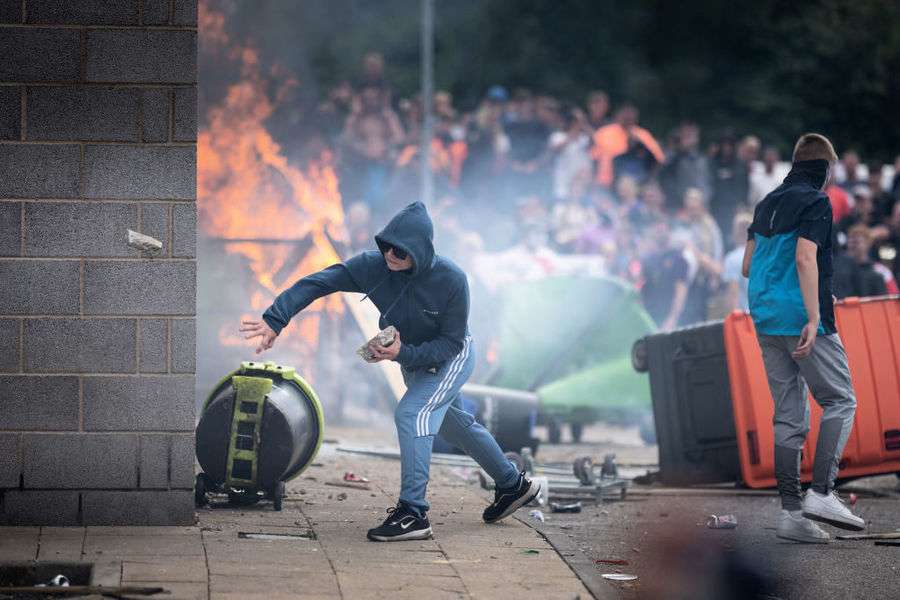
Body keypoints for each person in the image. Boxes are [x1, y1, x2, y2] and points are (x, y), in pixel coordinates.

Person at [241, 202, 539, 541]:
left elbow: (452, 343)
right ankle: (513, 485)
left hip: (450, 356)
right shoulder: (372, 265)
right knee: (455, 426)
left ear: (421, 251)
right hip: (411, 357)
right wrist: (275, 318)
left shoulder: (452, 279)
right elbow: (318, 282)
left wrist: (404, 353)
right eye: (385, 245)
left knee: (412, 414)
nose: (389, 255)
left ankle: (414, 512)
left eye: (400, 250)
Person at [742, 133, 864, 544]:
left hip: (765, 317)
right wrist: (814, 315)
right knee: (840, 399)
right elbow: (804, 256)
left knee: (789, 416)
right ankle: (823, 493)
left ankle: (792, 515)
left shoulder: (766, 202)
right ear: (825, 170)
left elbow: (747, 265)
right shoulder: (816, 201)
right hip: (800, 316)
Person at [640, 219, 690, 331]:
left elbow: (681, 292)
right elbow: (641, 286)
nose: (659, 232)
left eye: (662, 229)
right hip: (650, 316)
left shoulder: (678, 258)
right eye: (657, 229)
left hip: (669, 316)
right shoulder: (648, 259)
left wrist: (672, 319)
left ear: (669, 232)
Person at [832, 224, 888, 299]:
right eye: (850, 241)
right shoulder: (837, 269)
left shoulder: (879, 271)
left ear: (868, 244)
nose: (852, 245)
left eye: (856, 242)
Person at [722, 212, 753, 312]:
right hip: (763, 317)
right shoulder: (762, 255)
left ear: (736, 232)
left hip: (744, 320)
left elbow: (733, 294)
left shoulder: (732, 259)